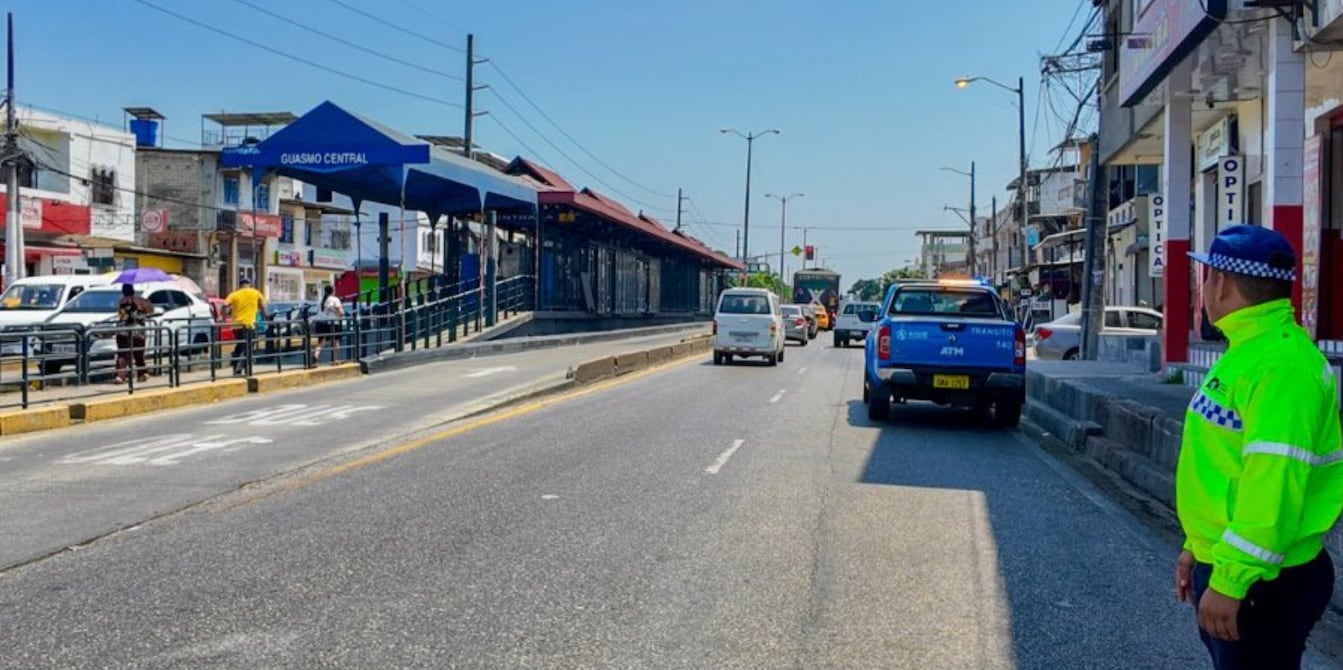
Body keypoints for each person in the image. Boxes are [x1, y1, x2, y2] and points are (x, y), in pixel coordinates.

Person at [1175, 224, 1343, 669]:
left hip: (1264, 580)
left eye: (1206, 277)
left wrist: (1230, 580)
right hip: (1242, 566)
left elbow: (1271, 488)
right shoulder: (1248, 350)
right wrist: (1199, 545)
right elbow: (1222, 467)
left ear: (1222, 282)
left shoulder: (1281, 366)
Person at [224, 277, 267, 376]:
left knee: (240, 345)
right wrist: (265, 317)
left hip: (236, 326)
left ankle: (236, 366)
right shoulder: (255, 292)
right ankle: (243, 368)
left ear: (240, 285)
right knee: (248, 347)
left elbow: (225, 305)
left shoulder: (234, 294)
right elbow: (263, 306)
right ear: (250, 284)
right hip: (249, 324)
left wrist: (223, 318)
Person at [114, 283, 152, 384]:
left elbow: (122, 316)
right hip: (138, 332)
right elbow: (149, 312)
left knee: (122, 354)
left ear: (123, 291)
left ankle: (120, 376)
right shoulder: (141, 301)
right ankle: (142, 374)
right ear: (133, 290)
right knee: (139, 354)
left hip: (123, 331)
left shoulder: (122, 301)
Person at [311, 285, 345, 366]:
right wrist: (335, 312)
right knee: (336, 341)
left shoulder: (321, 300)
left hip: (320, 323)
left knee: (321, 342)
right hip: (332, 323)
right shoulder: (335, 299)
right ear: (333, 291)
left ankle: (315, 356)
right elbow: (341, 313)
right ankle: (335, 359)